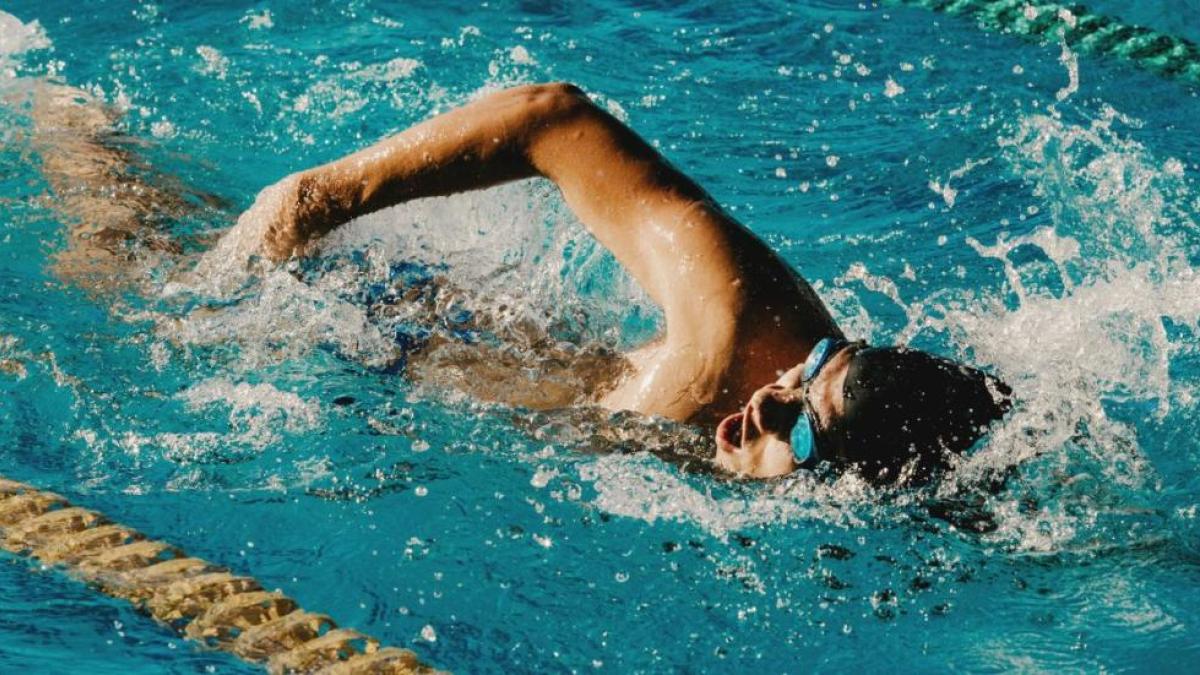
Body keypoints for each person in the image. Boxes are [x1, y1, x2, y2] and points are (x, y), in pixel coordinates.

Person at [238, 82, 1013, 482]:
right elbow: (550, 116)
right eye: (813, 367)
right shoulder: (737, 324)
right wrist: (315, 201)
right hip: (356, 328)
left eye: (804, 426)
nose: (772, 397)